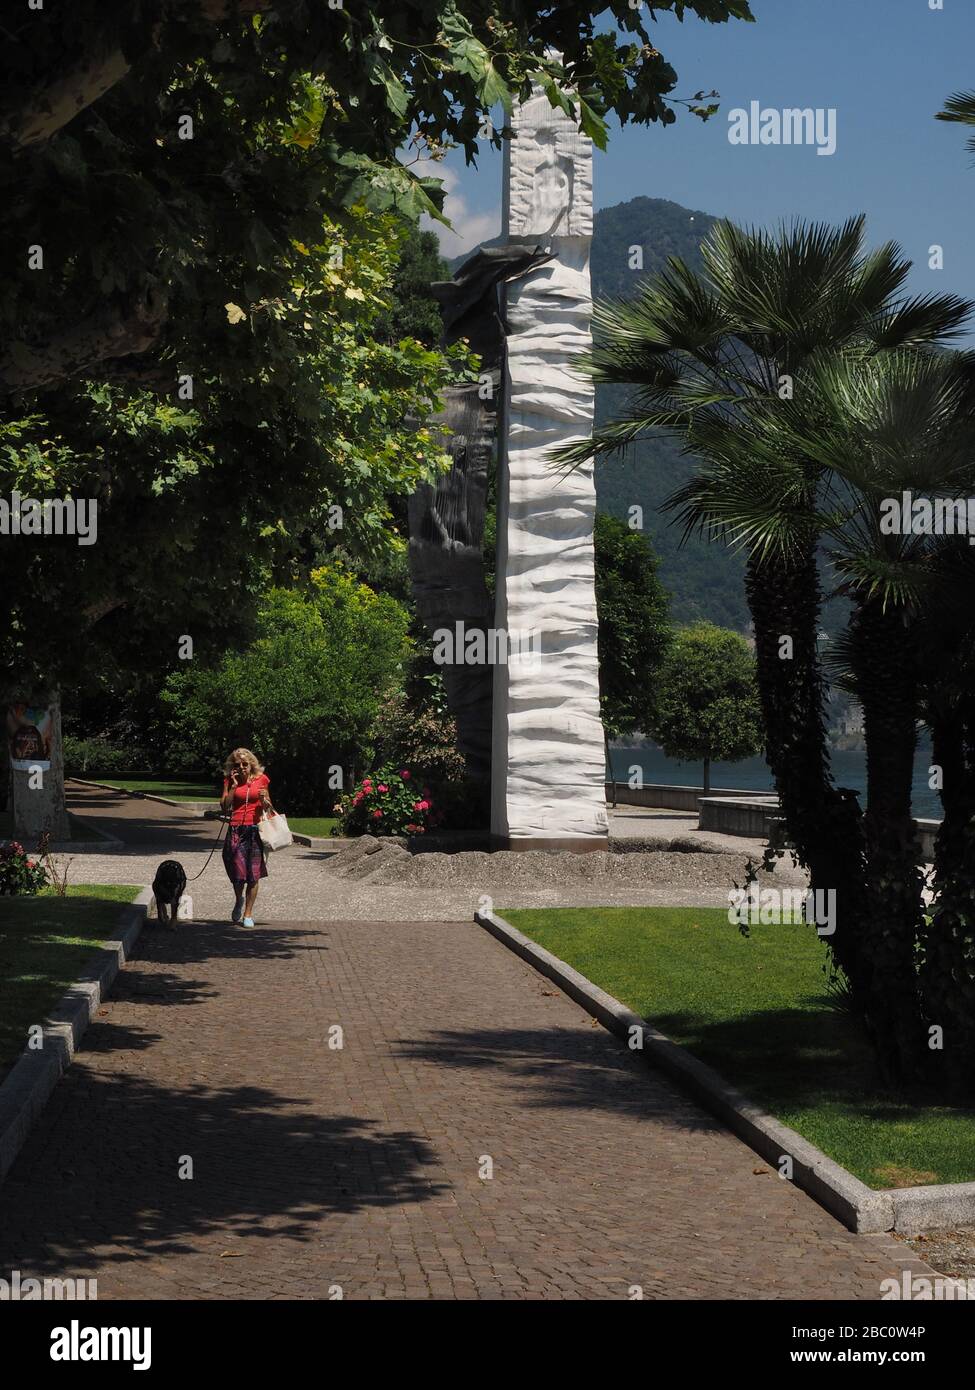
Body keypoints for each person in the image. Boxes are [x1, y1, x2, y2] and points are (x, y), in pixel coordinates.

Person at [220, 748, 271, 926]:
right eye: (237, 765)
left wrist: (265, 801)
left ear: (251, 764)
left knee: (253, 875)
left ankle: (248, 914)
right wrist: (233, 786)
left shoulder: (262, 780)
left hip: (255, 830)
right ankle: (238, 899)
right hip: (235, 829)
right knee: (236, 871)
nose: (241, 767)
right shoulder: (229, 781)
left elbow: (268, 807)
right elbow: (224, 807)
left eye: (244, 764)